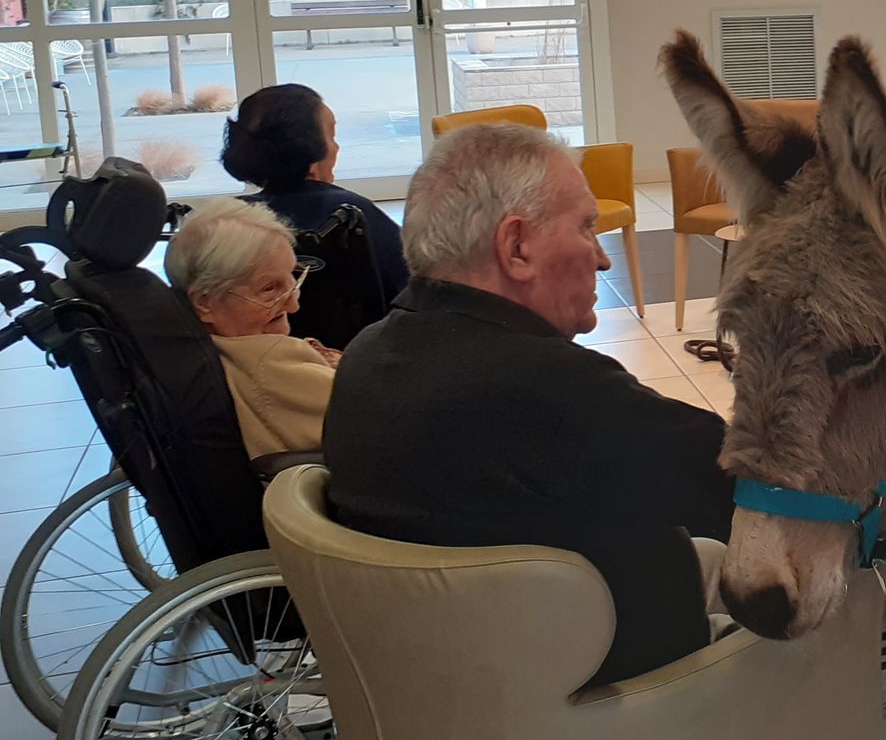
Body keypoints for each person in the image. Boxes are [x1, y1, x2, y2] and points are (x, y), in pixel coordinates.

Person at [323, 123, 733, 688]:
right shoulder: (547, 388)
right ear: (516, 248)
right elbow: (741, 479)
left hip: (467, 676)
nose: (602, 258)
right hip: (628, 691)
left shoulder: (370, 354)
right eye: (587, 228)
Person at [164, 198, 336, 461]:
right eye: (269, 289)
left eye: (293, 276)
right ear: (204, 302)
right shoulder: (270, 363)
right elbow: (386, 415)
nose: (293, 304)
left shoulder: (203, 348)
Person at [221, 84, 408, 301]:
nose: (336, 148)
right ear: (309, 147)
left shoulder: (231, 221)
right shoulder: (352, 214)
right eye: (331, 136)